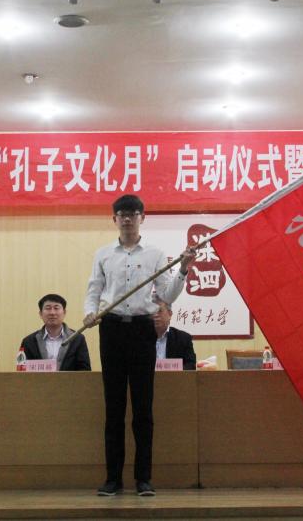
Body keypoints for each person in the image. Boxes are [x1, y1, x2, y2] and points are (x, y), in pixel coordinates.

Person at [83, 194, 195, 497]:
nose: (127, 218)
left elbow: (167, 296)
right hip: (111, 329)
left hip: (143, 331)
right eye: (122, 214)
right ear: (114, 219)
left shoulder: (155, 255)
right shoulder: (104, 254)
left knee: (143, 408)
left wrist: (183, 269)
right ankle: (113, 479)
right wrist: (89, 312)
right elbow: (94, 290)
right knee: (114, 407)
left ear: (142, 218)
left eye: (133, 213)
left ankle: (143, 478)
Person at [20, 293, 91, 371]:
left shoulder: (77, 339)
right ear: (40, 314)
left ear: (64, 312)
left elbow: (85, 370)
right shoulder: (28, 341)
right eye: (48, 308)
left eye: (56, 308)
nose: (52, 313)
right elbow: (23, 371)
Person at [153, 300, 196, 370]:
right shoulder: (140, 338)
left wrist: (175, 372)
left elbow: (191, 365)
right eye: (152, 312)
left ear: (170, 314)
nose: (155, 315)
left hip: (175, 377)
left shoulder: (183, 338)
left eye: (159, 311)